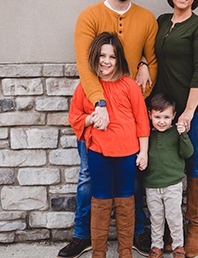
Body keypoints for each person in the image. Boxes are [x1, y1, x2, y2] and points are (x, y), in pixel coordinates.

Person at [57, 0, 157, 258]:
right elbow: (86, 66)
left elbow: (151, 62)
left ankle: (136, 235)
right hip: (96, 113)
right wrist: (99, 104)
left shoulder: (147, 18)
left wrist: (140, 73)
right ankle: (83, 236)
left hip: (127, 117)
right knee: (89, 177)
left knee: (134, 180)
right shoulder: (89, 16)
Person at [150, 0, 198, 258]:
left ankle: (192, 230)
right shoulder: (162, 22)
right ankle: (169, 230)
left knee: (195, 166)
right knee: (166, 166)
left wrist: (188, 113)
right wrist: (143, 63)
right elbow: (151, 53)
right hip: (169, 110)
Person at [68, 32, 150, 257]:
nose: (106, 61)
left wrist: (143, 152)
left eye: (112, 57)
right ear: (95, 57)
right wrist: (90, 119)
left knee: (125, 200)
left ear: (119, 59)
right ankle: (99, 252)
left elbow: (142, 120)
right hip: (98, 151)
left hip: (127, 152)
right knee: (100, 200)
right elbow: (75, 116)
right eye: (102, 55)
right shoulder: (87, 87)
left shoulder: (129, 86)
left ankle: (125, 252)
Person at [144, 93, 193, 258]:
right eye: (157, 116)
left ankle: (178, 245)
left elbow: (188, 153)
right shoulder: (147, 135)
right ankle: (156, 247)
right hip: (152, 184)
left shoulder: (175, 134)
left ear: (173, 116)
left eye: (166, 117)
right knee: (156, 218)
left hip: (172, 184)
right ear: (150, 115)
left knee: (173, 217)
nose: (162, 121)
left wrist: (183, 135)